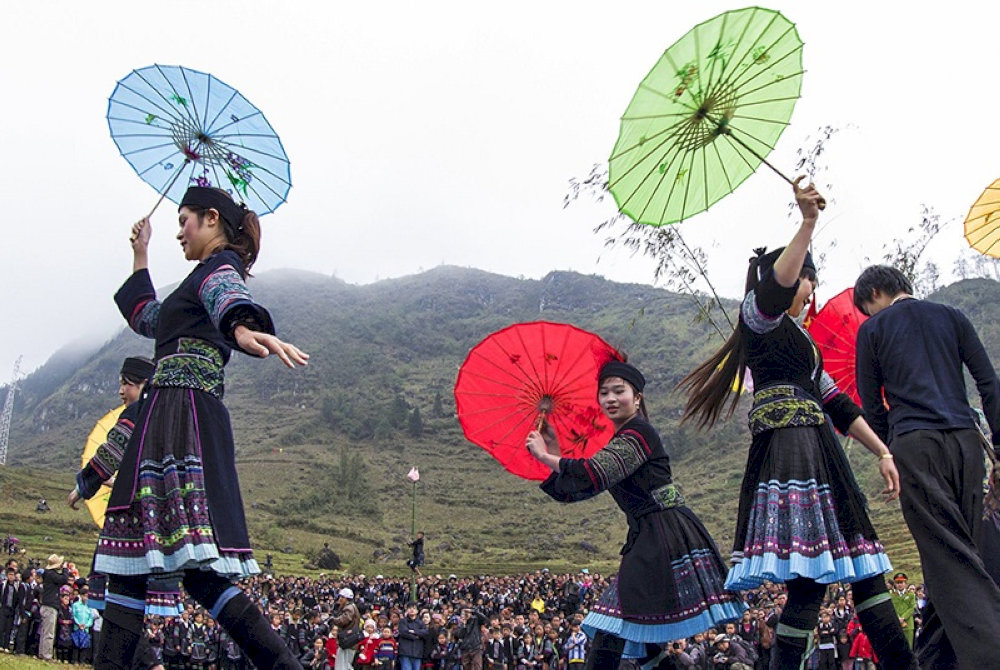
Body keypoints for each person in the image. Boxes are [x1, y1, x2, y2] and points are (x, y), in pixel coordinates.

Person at [679, 180, 915, 670]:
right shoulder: (758, 319)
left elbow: (839, 405)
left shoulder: (804, 348)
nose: (810, 291)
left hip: (823, 455)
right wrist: (807, 223)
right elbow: (775, 288)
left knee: (860, 577)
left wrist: (883, 452)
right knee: (809, 584)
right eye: (808, 281)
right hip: (791, 454)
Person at [93, 186, 309, 670]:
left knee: (189, 570)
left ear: (212, 219)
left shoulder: (217, 270)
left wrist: (242, 327)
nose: (178, 231)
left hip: (180, 419)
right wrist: (141, 253)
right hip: (167, 416)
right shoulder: (193, 282)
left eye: (184, 220)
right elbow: (150, 319)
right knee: (140, 566)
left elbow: (227, 297)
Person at [527, 359, 743, 669]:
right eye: (604, 393)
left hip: (662, 535)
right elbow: (580, 488)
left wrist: (547, 456)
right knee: (642, 636)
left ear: (637, 397)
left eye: (619, 391)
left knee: (610, 627)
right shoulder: (623, 438)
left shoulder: (638, 433)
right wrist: (554, 451)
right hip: (650, 536)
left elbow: (595, 473)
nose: (611, 399)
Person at [853, 263, 1000, 669]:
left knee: (950, 557)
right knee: (957, 552)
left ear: (877, 293)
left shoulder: (873, 331)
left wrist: (887, 452)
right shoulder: (953, 316)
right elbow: (988, 382)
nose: (870, 315)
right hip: (966, 444)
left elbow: (870, 405)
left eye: (869, 307)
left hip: (916, 447)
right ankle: (935, 660)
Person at [38, 553, 68, 661]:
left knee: (45, 632)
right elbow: (63, 580)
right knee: (49, 633)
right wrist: (65, 570)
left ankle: (43, 653)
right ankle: (47, 655)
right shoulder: (51, 574)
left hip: (46, 605)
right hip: (50, 606)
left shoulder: (47, 574)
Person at [887, 573, 915, 648]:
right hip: (896, 623)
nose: (899, 585)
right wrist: (898, 617)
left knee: (909, 646)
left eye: (901, 582)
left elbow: (912, 608)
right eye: (897, 583)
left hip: (908, 624)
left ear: (906, 584)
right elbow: (891, 607)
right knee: (898, 646)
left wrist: (903, 617)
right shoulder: (892, 595)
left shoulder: (910, 594)